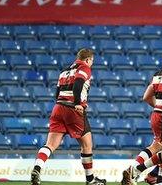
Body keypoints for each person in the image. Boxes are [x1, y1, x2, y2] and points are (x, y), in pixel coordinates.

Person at [30, 48, 106, 185]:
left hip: (58, 107)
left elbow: (57, 92)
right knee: (87, 145)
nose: (91, 64)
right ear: (88, 59)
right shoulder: (84, 68)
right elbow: (78, 84)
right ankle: (90, 180)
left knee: (50, 145)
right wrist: (77, 103)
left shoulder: (64, 71)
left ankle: (37, 167)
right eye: (92, 61)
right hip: (73, 109)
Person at [122, 46, 162, 185]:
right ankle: (136, 171)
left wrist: (159, 106)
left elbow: (146, 97)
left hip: (156, 114)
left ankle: (158, 180)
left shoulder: (158, 75)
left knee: (157, 147)